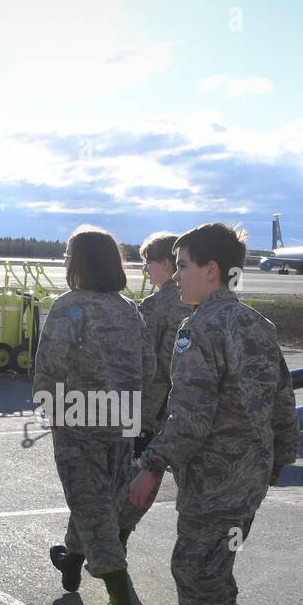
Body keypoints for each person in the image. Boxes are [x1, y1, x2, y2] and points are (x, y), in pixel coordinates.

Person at [129, 222, 300, 605]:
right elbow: (284, 402)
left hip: (215, 479)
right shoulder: (257, 324)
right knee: (214, 570)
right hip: (250, 476)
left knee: (197, 574)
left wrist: (152, 464)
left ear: (211, 271)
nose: (176, 275)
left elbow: (191, 417)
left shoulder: (199, 328)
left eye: (183, 266)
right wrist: (280, 459)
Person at [36, 225, 155, 605]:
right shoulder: (128, 309)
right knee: (98, 495)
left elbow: (49, 365)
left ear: (80, 262)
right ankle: (72, 556)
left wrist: (49, 407)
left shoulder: (70, 306)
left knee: (92, 506)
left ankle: (120, 603)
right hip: (121, 420)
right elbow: (150, 368)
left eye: (69, 255)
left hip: (79, 422)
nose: (66, 262)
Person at [117, 231, 188, 546]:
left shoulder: (155, 305)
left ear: (166, 263)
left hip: (149, 412)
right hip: (185, 413)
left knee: (132, 481)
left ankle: (108, 547)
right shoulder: (201, 301)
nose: (146, 269)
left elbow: (140, 365)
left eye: (149, 262)